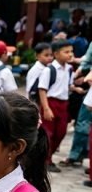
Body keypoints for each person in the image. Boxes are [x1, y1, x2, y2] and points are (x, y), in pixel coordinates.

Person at [38, 39, 76, 172]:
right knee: (48, 133)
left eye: (71, 51)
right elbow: (42, 89)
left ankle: (48, 156)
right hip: (51, 102)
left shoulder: (69, 69)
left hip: (63, 104)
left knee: (61, 132)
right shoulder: (50, 70)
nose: (70, 54)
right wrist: (46, 108)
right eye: (66, 52)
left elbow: (68, 85)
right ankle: (46, 160)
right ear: (57, 54)